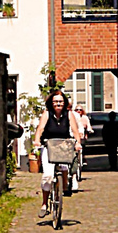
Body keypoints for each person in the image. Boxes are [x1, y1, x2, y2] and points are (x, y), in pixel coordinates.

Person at [33, 90, 82, 218]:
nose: (58, 104)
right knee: (48, 175)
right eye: (55, 102)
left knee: (65, 166)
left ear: (64, 102)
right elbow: (40, 129)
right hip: (48, 145)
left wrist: (77, 143)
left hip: (63, 144)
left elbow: (75, 130)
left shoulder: (69, 114)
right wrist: (37, 141)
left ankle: (63, 186)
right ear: (51, 103)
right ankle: (44, 204)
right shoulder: (47, 114)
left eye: (60, 101)